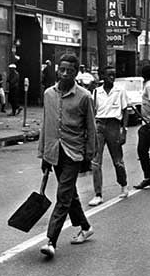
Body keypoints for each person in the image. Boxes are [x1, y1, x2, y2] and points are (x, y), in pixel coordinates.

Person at [38, 53, 96, 259]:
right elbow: (46, 125)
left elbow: (91, 127)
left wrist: (90, 155)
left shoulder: (84, 97)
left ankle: (51, 241)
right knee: (70, 195)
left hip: (74, 152)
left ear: (75, 73)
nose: (64, 74)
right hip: (54, 152)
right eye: (61, 70)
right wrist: (43, 153)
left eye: (69, 71)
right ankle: (86, 227)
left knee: (63, 196)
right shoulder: (48, 94)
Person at [88, 66, 129, 206]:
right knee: (95, 162)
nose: (112, 77)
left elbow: (125, 111)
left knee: (117, 160)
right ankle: (98, 194)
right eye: (109, 75)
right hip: (99, 125)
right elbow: (93, 112)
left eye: (114, 75)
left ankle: (123, 185)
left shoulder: (120, 90)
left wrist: (124, 130)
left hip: (114, 125)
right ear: (103, 76)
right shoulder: (96, 92)